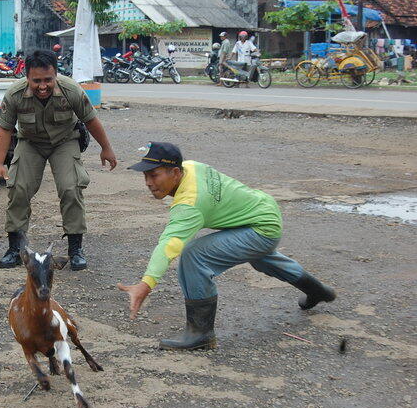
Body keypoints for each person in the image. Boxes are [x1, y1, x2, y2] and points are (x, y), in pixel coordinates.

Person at [117, 142, 336, 351]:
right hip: (261, 210)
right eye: (145, 175)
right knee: (262, 257)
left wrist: (146, 284)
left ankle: (200, 333)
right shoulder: (191, 166)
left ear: (175, 173)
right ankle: (318, 291)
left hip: (260, 226)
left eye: (154, 175)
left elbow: (169, 245)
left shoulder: (189, 204)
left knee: (194, 256)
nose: (148, 182)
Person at [0, 50, 117, 271]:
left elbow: (91, 120)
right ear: (26, 77)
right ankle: (15, 249)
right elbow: (5, 129)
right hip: (30, 143)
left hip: (64, 141)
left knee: (70, 187)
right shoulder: (15, 94)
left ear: (56, 75)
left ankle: (75, 249)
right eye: (36, 80)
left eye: (48, 80)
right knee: (18, 187)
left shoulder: (71, 90)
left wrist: (106, 148)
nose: (42, 86)